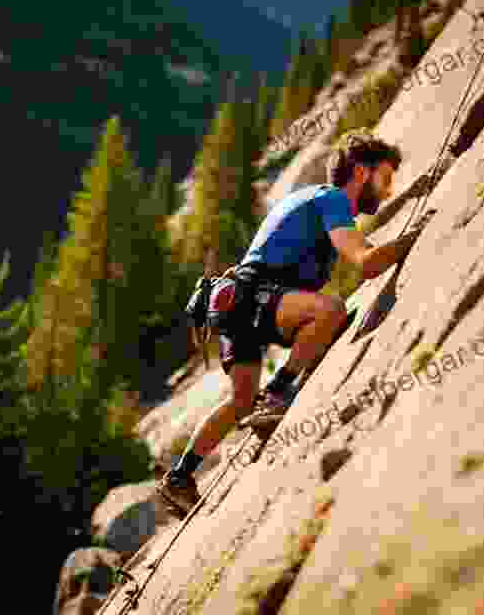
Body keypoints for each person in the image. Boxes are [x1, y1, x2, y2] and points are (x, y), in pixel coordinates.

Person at [156, 131, 429, 515]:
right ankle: (280, 391)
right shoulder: (332, 199)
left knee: (241, 400)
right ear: (362, 173)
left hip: (237, 303)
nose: (387, 192)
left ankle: (180, 476)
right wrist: (414, 238)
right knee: (330, 312)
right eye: (385, 178)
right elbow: (366, 263)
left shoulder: (307, 198)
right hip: (260, 299)